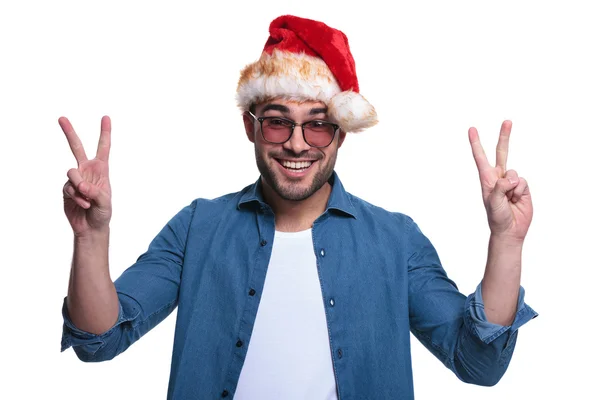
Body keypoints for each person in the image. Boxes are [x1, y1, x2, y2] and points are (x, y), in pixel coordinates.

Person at [59, 15, 537, 400]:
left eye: (318, 125)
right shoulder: (197, 227)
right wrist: (90, 236)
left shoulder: (395, 239)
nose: (296, 144)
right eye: (276, 123)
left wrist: (507, 242)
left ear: (340, 135)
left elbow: (479, 363)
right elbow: (98, 340)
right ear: (250, 127)